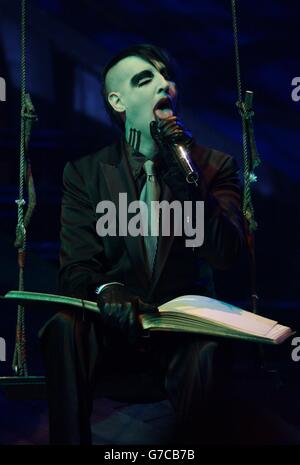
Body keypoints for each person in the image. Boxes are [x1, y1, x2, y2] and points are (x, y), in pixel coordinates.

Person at [39, 44, 245, 445]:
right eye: (144, 79)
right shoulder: (84, 174)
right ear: (118, 101)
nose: (162, 84)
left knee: (209, 350)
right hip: (116, 332)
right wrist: (106, 289)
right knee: (62, 328)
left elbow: (226, 253)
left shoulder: (214, 166)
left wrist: (184, 169)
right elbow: (75, 268)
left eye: (166, 77)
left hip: (183, 338)